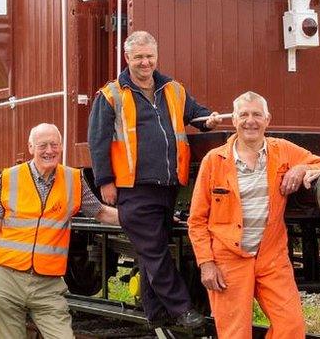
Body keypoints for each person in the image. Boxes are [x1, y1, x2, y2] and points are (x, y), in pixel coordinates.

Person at [88, 30, 221, 329]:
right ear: (127, 59)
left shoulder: (173, 89)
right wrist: (105, 182)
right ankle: (182, 309)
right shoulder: (111, 95)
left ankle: (155, 313)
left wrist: (207, 118)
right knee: (155, 251)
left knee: (153, 248)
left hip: (168, 185)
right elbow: (97, 141)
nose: (145, 62)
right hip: (132, 188)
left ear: (156, 57)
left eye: (149, 56)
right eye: (139, 57)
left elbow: (196, 113)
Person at [188, 91, 320, 338]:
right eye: (244, 115)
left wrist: (301, 168)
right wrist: (206, 264)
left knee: (292, 327)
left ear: (267, 119)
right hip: (228, 259)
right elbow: (197, 219)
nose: (250, 121)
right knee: (235, 333)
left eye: (256, 115)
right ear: (233, 120)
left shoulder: (282, 150)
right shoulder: (214, 161)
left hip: (271, 256)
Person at [0, 123, 119, 339]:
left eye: (54, 145)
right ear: (30, 147)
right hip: (7, 279)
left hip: (48, 285)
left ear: (62, 147)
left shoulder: (74, 179)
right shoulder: (10, 177)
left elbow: (101, 212)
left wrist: (146, 220)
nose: (49, 151)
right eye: (42, 145)